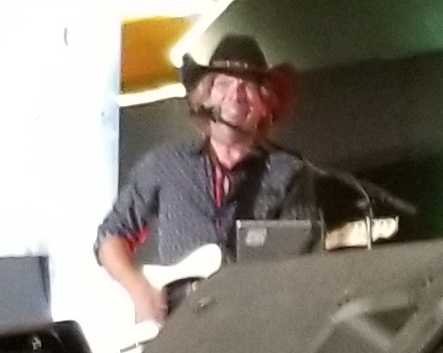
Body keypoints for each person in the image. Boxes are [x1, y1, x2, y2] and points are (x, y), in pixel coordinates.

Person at [96, 34, 308, 326]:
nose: (235, 95)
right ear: (205, 97)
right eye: (223, 83)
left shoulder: (288, 172)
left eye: (247, 86)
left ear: (265, 104)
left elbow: (304, 260)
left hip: (252, 326)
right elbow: (111, 237)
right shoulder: (166, 164)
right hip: (178, 330)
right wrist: (139, 289)